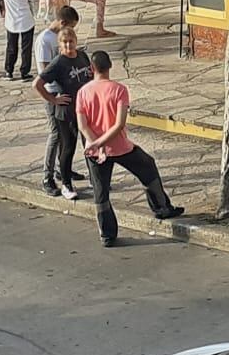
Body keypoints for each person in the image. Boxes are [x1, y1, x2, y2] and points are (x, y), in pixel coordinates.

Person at [77, 50, 183, 247]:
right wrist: (103, 144)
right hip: (120, 146)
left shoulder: (83, 92)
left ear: (92, 69)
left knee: (101, 193)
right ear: (110, 66)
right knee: (147, 168)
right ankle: (161, 207)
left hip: (94, 151)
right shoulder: (119, 90)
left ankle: (107, 234)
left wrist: (95, 144)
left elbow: (83, 126)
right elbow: (118, 125)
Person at [33, 27, 92, 201]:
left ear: (76, 40)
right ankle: (66, 184)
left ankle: (95, 179)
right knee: (68, 148)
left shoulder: (82, 56)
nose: (68, 45)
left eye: (71, 41)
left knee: (90, 144)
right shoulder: (58, 62)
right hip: (66, 111)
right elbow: (37, 84)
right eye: (64, 42)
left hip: (84, 109)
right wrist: (53, 100)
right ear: (59, 44)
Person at [0, 0, 35, 81]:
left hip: (11, 22)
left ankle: (8, 71)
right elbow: (31, 2)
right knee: (26, 48)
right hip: (26, 20)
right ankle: (24, 72)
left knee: (11, 47)